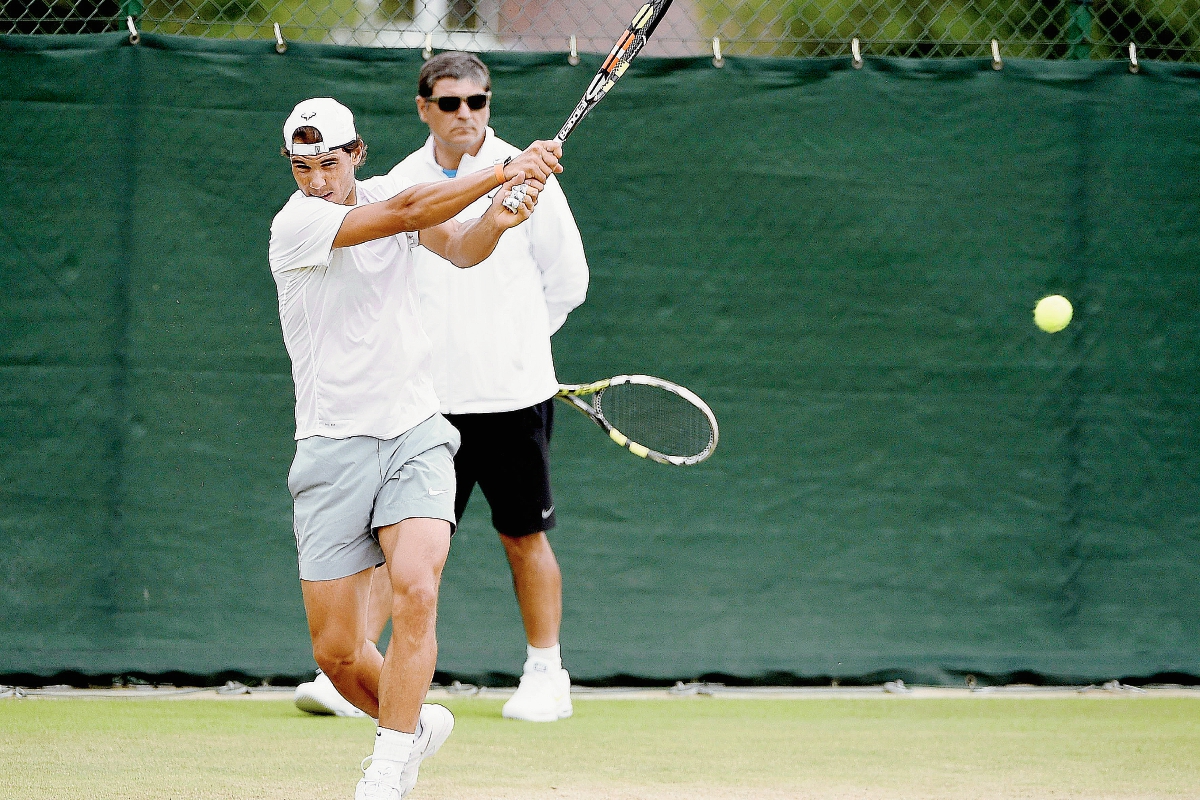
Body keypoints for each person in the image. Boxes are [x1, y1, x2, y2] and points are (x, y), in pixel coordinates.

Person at [269, 95, 562, 799]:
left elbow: (459, 248)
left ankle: (388, 766)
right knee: (338, 654)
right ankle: (415, 727)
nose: (316, 177)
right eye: (301, 165)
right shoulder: (298, 222)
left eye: (329, 162)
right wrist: (500, 172)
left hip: (416, 433)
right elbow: (404, 216)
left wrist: (499, 218)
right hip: (331, 447)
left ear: (357, 153)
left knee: (417, 587)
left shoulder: (392, 198)